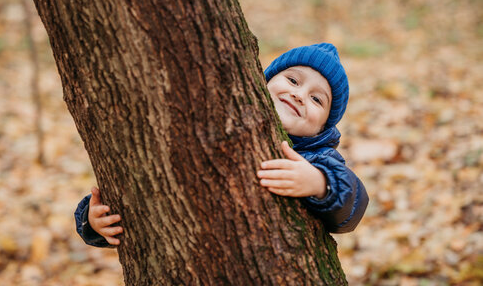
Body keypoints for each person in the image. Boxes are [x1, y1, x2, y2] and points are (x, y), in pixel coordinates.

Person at [74, 43, 369, 247]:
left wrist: (319, 183)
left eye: (317, 99)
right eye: (292, 80)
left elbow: (354, 205)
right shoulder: (221, 123)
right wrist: (93, 221)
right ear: (262, 83)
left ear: (323, 126)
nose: (299, 95)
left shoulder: (316, 156)